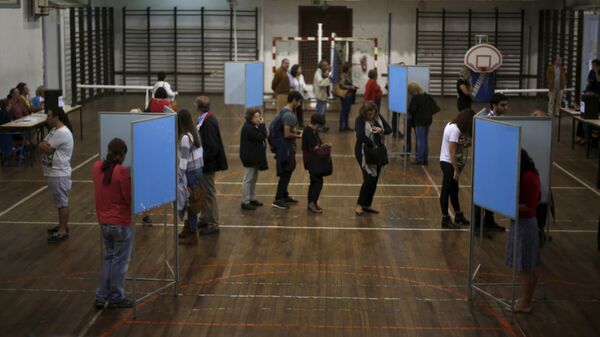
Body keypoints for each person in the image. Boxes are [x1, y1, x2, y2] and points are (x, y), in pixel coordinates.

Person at [92, 138, 134, 309]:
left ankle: (101, 295)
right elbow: (128, 197)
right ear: (120, 155)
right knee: (120, 261)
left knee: (109, 257)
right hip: (121, 223)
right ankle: (117, 296)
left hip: (104, 222)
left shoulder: (96, 167)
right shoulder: (121, 172)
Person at [505, 149, 542, 313]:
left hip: (525, 225)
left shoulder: (528, 177)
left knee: (526, 267)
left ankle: (524, 303)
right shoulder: (528, 175)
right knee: (526, 266)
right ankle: (524, 299)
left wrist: (509, 207)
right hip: (522, 223)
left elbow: (531, 204)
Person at [473, 93, 509, 233]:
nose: (506, 108)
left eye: (506, 105)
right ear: (494, 106)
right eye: (502, 105)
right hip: (485, 165)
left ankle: (488, 219)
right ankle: (476, 225)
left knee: (492, 194)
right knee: (481, 194)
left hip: (496, 164)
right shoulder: (486, 121)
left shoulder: (501, 120)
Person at [40, 108, 74, 243]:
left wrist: (44, 146)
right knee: (59, 202)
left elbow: (46, 149)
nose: (47, 118)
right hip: (52, 172)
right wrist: (44, 145)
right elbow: (43, 143)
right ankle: (62, 225)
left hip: (59, 173)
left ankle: (62, 231)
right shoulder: (54, 130)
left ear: (57, 117)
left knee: (62, 202)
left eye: (49, 116)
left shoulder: (62, 133)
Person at [195, 96, 227, 235]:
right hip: (205, 163)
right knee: (203, 192)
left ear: (198, 108)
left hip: (207, 164)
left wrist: (202, 160)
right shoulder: (206, 119)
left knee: (209, 194)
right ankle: (204, 218)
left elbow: (212, 147)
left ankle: (213, 223)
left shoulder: (208, 122)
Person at [354, 101, 391, 216]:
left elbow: (389, 129)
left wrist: (382, 130)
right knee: (369, 178)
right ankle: (359, 205)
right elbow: (360, 136)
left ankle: (366, 204)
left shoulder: (378, 118)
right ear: (364, 113)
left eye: (373, 113)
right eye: (368, 114)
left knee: (374, 180)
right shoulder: (360, 120)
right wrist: (372, 143)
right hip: (363, 152)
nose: (371, 116)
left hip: (377, 153)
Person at [439, 108, 474, 229]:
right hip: (448, 163)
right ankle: (445, 219)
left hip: (451, 162)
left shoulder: (453, 125)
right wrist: (456, 170)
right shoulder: (455, 129)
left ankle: (458, 215)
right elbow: (452, 152)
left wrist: (465, 144)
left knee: (454, 190)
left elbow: (456, 146)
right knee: (446, 191)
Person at [176, 109, 204, 245]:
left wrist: (179, 175)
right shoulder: (194, 132)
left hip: (191, 172)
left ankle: (192, 234)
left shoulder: (185, 138)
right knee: (192, 200)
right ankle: (189, 228)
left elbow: (184, 160)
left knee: (191, 202)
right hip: (197, 169)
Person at [272, 91, 303, 210]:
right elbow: (286, 134)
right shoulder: (289, 115)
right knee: (286, 172)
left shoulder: (283, 111)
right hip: (285, 148)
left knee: (288, 171)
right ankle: (278, 199)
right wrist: (299, 136)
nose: (300, 104)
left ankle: (284, 195)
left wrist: (295, 133)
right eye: (299, 101)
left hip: (283, 146)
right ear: (294, 100)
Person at [239, 108, 268, 211]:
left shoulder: (253, 125)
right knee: (248, 180)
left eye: (259, 116)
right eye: (256, 116)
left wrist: (260, 126)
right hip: (249, 157)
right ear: (250, 118)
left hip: (254, 157)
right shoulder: (249, 128)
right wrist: (263, 125)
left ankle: (252, 198)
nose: (258, 118)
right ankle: (245, 201)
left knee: (253, 179)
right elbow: (262, 136)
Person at [302, 113, 330, 213]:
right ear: (317, 124)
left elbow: (319, 143)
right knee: (317, 182)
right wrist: (323, 147)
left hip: (315, 160)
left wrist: (324, 145)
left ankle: (312, 203)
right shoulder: (308, 131)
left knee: (315, 181)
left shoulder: (313, 131)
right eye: (320, 126)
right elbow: (314, 147)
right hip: (311, 160)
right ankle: (312, 203)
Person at [407, 82, 434, 166]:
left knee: (420, 140)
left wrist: (408, 109)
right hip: (428, 119)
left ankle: (419, 159)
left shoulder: (416, 97)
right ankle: (425, 159)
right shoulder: (426, 95)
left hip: (420, 120)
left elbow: (412, 110)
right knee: (425, 139)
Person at [313, 59, 332, 132]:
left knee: (322, 112)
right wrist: (328, 78)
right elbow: (321, 83)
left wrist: (329, 72)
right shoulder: (318, 73)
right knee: (320, 112)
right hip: (320, 96)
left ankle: (322, 126)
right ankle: (318, 127)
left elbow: (326, 76)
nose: (327, 66)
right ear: (322, 66)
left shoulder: (322, 72)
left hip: (323, 96)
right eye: (326, 65)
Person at [338, 62, 357, 132]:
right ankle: (342, 126)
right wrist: (350, 87)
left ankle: (346, 125)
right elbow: (341, 85)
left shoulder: (348, 76)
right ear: (347, 68)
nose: (351, 69)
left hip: (349, 95)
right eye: (350, 68)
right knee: (344, 111)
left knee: (347, 111)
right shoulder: (343, 76)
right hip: (345, 96)